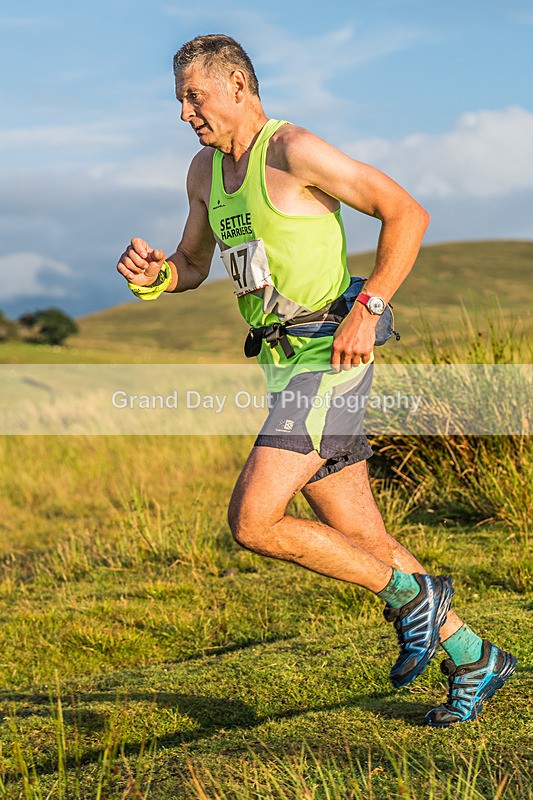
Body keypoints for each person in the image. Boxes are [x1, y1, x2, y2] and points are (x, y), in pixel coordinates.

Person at [117, 34, 517, 726]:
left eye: (193, 96)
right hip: (282, 365)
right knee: (363, 538)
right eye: (179, 99)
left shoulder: (293, 150)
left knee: (253, 520)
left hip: (329, 360)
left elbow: (407, 213)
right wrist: (157, 277)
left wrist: (369, 309)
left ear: (237, 85)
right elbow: (192, 260)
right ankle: (475, 655)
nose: (184, 112)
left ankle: (412, 599)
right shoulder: (203, 173)